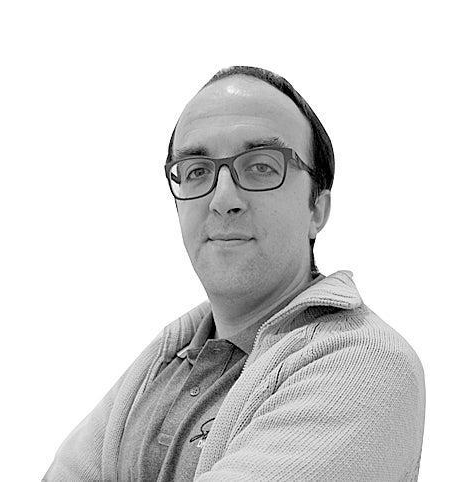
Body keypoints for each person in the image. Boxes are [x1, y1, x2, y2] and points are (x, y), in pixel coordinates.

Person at [43, 66, 426, 481]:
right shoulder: (169, 358)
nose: (223, 199)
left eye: (261, 166)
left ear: (317, 210)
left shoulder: (366, 364)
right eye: (197, 170)